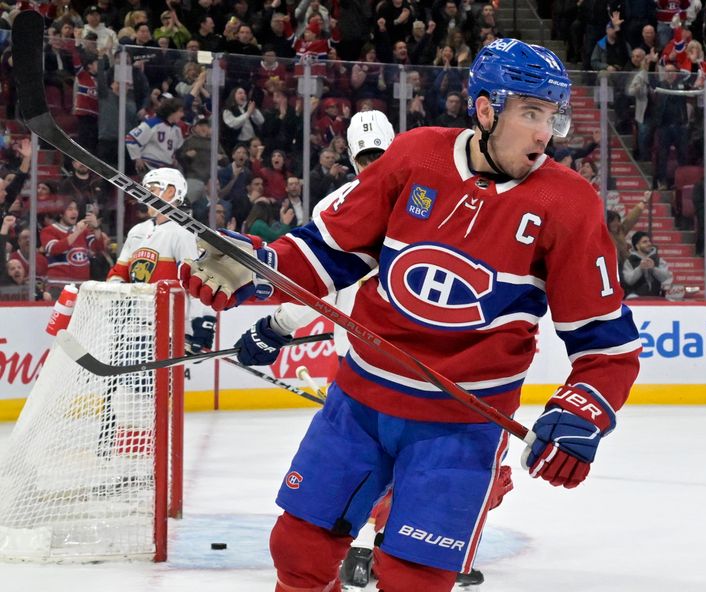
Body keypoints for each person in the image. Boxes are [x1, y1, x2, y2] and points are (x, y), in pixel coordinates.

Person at [181, 40, 641, 592]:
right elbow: (331, 250)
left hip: (464, 423)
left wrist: (583, 411)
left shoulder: (568, 204)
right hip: (360, 401)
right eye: (531, 113)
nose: (546, 134)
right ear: (487, 108)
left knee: (413, 580)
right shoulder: (414, 155)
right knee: (298, 547)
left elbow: (605, 347)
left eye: (552, 116)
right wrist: (261, 268)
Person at [107, 168, 215, 353]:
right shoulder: (137, 231)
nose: (144, 197)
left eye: (151, 190)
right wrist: (118, 299)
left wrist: (202, 322)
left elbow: (197, 281)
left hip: (169, 328)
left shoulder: (183, 233)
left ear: (170, 191)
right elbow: (119, 273)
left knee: (157, 381)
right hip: (134, 327)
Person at [622, 231, 673, 298]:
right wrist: (640, 268)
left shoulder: (658, 259)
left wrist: (653, 269)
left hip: (656, 296)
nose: (649, 244)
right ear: (637, 246)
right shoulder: (630, 261)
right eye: (644, 242)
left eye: (649, 241)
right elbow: (629, 280)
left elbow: (665, 277)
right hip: (635, 297)